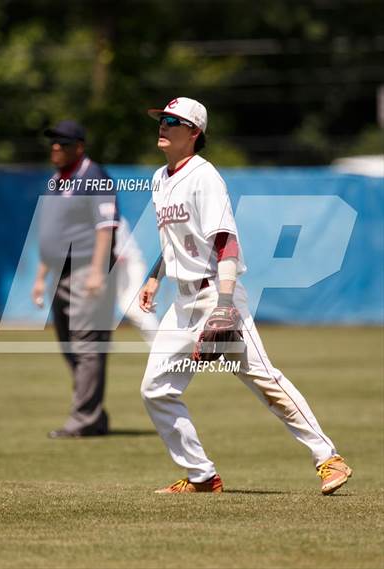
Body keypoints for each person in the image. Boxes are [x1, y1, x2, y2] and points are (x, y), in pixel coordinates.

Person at [139, 97, 352, 494]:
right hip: (180, 303)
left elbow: (225, 244)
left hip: (215, 295)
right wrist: (154, 276)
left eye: (172, 121)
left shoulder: (205, 177)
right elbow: (175, 241)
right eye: (162, 119)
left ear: (194, 132)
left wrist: (223, 306)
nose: (163, 126)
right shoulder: (158, 178)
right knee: (156, 388)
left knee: (264, 379)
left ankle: (329, 459)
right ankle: (202, 476)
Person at [32, 120, 119, 438]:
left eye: (63, 143)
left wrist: (98, 271)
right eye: (53, 143)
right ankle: (93, 415)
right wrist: (41, 277)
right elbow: (50, 233)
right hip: (59, 273)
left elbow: (105, 227)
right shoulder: (57, 180)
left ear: (79, 147)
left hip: (86, 269)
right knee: (71, 347)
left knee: (86, 348)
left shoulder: (94, 177)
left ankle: (83, 420)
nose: (56, 148)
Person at [114, 216, 159, 346]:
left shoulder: (109, 216)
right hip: (115, 268)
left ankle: (162, 344)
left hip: (129, 266)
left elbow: (118, 256)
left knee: (133, 307)